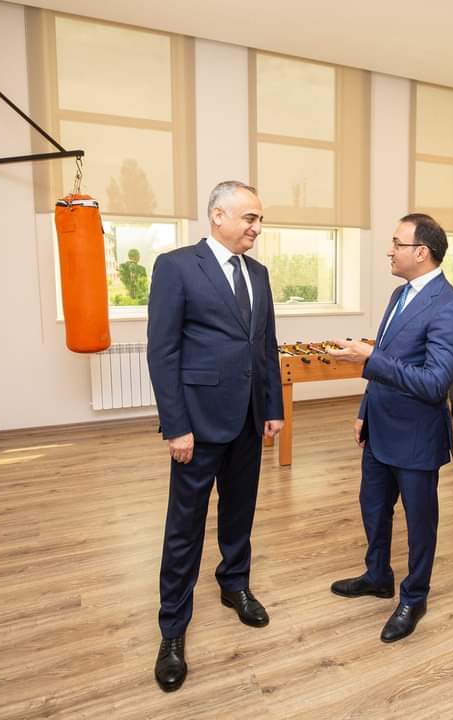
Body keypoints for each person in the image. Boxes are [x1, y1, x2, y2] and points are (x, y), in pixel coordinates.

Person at [146, 180, 284, 692]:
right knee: (184, 527)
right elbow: (162, 351)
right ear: (218, 215)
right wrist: (176, 425)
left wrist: (273, 408)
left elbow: (266, 346)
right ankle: (172, 629)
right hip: (198, 424)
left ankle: (235, 585)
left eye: (260, 219)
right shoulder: (177, 266)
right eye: (250, 217)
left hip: (249, 418)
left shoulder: (258, 274)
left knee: (239, 512)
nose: (257, 228)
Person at [327, 213, 453, 643]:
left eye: (397, 243)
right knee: (373, 507)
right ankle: (377, 576)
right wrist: (364, 409)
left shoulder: (449, 308)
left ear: (421, 252)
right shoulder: (399, 294)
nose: (389, 251)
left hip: (416, 435)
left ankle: (415, 596)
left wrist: (369, 358)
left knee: (420, 521)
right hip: (380, 426)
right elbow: (390, 358)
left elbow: (434, 383)